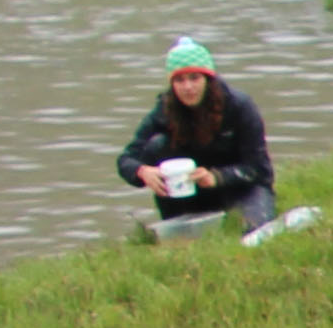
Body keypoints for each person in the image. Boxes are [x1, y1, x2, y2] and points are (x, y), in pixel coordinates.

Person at [118, 39, 277, 237]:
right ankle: (178, 223)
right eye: (180, 80)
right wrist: (142, 171)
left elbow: (259, 169)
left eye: (194, 78)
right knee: (155, 145)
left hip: (240, 186)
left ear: (207, 79)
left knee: (255, 231)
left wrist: (216, 177)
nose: (188, 87)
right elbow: (125, 159)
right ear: (172, 84)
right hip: (191, 191)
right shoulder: (164, 110)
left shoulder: (239, 107)